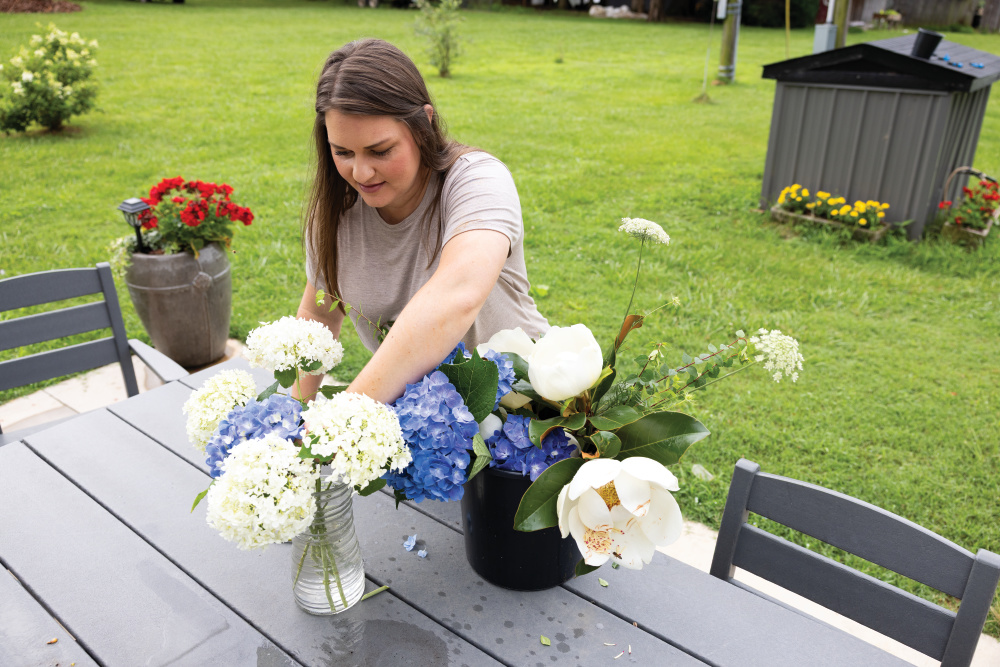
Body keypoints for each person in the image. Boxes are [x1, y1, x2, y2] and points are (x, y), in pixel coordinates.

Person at [294, 39, 548, 405]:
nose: (361, 172)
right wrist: (292, 417)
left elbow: (455, 297)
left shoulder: (478, 181)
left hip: (533, 417)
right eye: (343, 152)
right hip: (422, 425)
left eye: (380, 151)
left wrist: (346, 417)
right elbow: (318, 315)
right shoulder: (335, 212)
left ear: (423, 124)